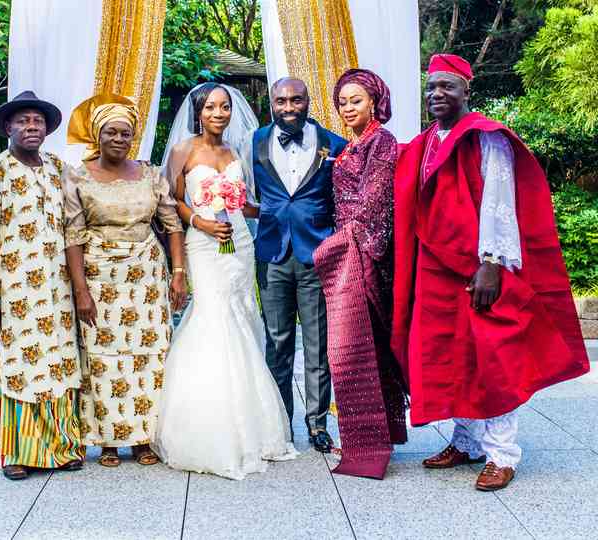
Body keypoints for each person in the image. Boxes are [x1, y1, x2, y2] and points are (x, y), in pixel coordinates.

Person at [393, 54, 590, 491]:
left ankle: (502, 453)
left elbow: (499, 201)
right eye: (431, 87)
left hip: (477, 265)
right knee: (452, 355)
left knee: (494, 356)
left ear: (467, 90)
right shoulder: (426, 141)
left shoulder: (485, 138)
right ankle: (465, 440)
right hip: (436, 266)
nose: (437, 95)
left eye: (447, 86)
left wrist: (492, 263)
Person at [153, 82, 296, 480]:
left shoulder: (237, 151)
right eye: (212, 107)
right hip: (203, 243)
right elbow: (170, 202)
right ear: (198, 112)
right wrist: (199, 220)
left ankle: (254, 425)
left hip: (240, 243)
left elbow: (246, 201)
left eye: (225, 107)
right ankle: (208, 426)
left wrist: (272, 210)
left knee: (243, 317)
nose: (219, 113)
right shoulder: (184, 151)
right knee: (213, 318)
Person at [63, 94, 188, 467]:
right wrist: (81, 290)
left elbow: (172, 225)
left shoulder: (150, 174)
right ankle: (109, 441)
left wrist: (178, 274)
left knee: (150, 355)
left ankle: (144, 439)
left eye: (126, 133)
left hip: (146, 276)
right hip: (100, 275)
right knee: (104, 358)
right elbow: (72, 235)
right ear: (97, 136)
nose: (119, 139)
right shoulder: (78, 176)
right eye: (111, 132)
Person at [0, 90, 84, 480]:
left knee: (59, 364)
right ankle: (16, 453)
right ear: (8, 127)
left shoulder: (57, 168)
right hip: (14, 292)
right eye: (23, 121)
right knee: (20, 368)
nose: (31, 127)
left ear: (47, 129)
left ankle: (63, 447)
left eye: (37, 121)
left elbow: (74, 227)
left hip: (57, 290)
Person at [243, 78, 347, 453]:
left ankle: (318, 425)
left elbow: (344, 200)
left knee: (318, 344)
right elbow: (250, 196)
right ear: (272, 102)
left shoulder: (334, 145)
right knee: (278, 341)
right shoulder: (255, 141)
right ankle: (279, 423)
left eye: (296, 100)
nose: (289, 106)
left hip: (316, 255)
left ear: (308, 101)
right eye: (281, 100)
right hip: (271, 254)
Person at [313, 69, 408, 479]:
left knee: (351, 351)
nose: (348, 108)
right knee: (359, 351)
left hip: (365, 256)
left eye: (356, 100)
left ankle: (367, 447)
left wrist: (329, 247)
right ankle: (374, 437)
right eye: (343, 102)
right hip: (347, 253)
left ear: (375, 102)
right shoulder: (353, 145)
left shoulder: (382, 143)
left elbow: (375, 206)